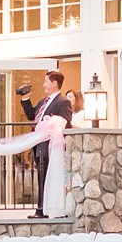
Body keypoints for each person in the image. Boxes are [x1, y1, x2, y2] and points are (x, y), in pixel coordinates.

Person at [18, 70, 74, 217]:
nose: (44, 85)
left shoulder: (63, 102)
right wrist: (25, 98)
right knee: (41, 176)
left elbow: (65, 123)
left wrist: (52, 124)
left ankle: (43, 209)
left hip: (50, 145)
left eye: (46, 82)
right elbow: (32, 115)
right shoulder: (44, 101)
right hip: (39, 144)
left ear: (54, 83)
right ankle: (41, 208)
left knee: (47, 176)